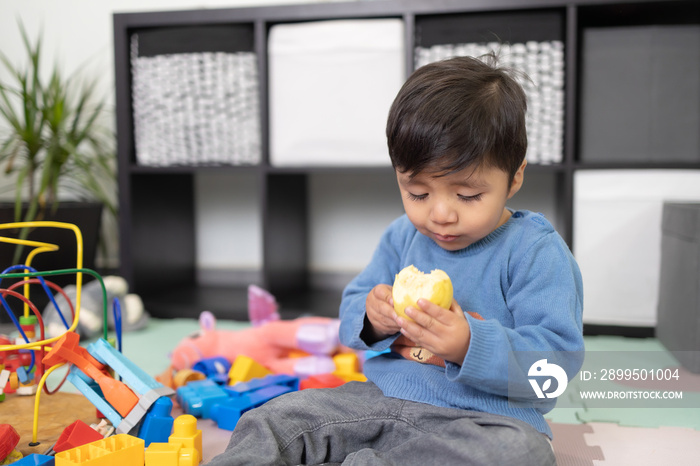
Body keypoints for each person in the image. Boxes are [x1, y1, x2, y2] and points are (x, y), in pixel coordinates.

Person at [205, 54, 584, 466]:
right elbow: (353, 310)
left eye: (468, 195)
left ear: (514, 178)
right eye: (418, 193)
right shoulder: (403, 235)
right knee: (275, 419)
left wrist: (467, 344)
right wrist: (373, 316)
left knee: (519, 454)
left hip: (484, 420)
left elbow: (554, 366)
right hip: (380, 398)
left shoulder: (534, 251)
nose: (440, 214)